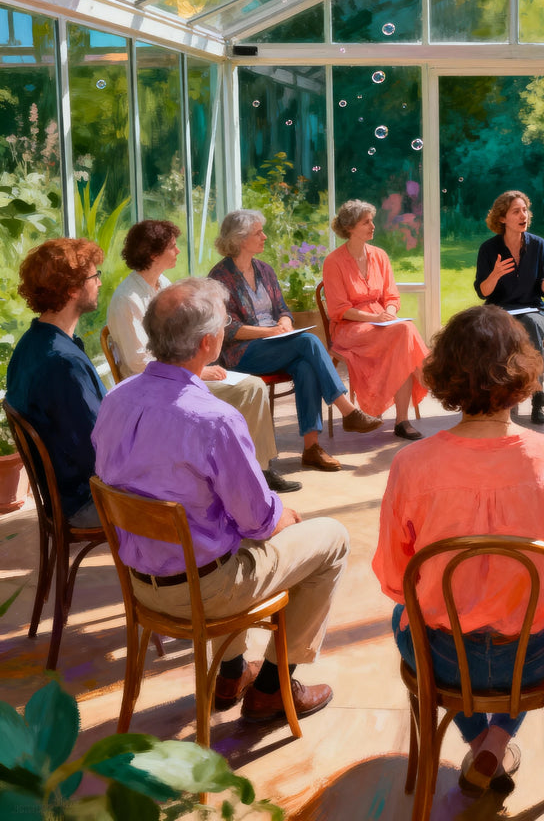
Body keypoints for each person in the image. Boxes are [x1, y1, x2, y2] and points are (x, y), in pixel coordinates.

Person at [373, 306, 544, 797]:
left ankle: (483, 739)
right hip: (537, 658)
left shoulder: (410, 466)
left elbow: (395, 581)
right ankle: (495, 738)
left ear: (445, 372)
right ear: (522, 371)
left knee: (403, 613)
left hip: (443, 660)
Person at [93, 278, 348, 722]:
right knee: (330, 538)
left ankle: (230, 672)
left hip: (139, 582)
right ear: (209, 342)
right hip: (203, 591)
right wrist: (283, 515)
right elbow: (258, 522)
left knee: (216, 529)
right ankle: (272, 686)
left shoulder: (114, 400)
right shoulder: (214, 419)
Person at [106, 220, 299, 493]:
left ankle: (259, 468)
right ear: (153, 254)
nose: (177, 251)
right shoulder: (128, 299)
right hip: (154, 385)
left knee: (252, 387)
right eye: (172, 247)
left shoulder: (162, 284)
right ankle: (239, 472)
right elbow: (138, 361)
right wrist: (197, 371)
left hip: (178, 373)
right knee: (250, 388)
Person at [208, 209, 381, 472]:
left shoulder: (264, 270)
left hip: (276, 342)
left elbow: (283, 309)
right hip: (243, 352)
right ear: (241, 239)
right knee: (308, 343)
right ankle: (347, 411)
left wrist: (285, 323)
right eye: (258, 233)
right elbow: (227, 327)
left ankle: (311, 448)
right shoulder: (220, 277)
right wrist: (268, 332)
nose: (265, 237)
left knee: (305, 366)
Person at [6, 239, 106, 527]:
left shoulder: (32, 342)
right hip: (85, 500)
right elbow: (97, 451)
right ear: (72, 288)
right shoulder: (62, 363)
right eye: (94, 276)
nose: (99, 283)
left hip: (65, 494)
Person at [322, 200, 428, 441]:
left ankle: (402, 420)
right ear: (350, 228)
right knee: (405, 331)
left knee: (403, 338)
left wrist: (388, 312)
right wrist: (376, 317)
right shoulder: (334, 261)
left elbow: (391, 296)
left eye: (372, 220)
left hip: (383, 324)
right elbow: (339, 309)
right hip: (350, 328)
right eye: (366, 222)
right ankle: (428, 375)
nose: (373, 226)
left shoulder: (380, 255)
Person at [474, 190, 544, 425]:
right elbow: (483, 291)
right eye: (516, 211)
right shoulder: (488, 249)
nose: (523, 215)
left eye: (525, 210)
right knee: (502, 327)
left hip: (535, 310)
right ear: (502, 218)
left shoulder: (538, 245)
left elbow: (543, 290)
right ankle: (505, 396)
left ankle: (536, 397)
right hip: (500, 311)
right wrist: (494, 274)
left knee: (529, 323)